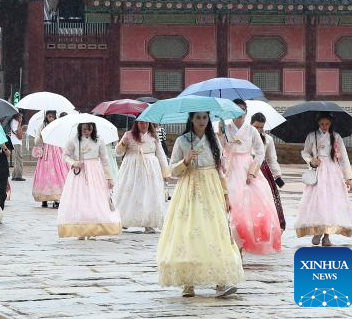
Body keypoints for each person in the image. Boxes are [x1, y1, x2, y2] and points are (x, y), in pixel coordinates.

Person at [157, 112, 242, 298]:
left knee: (215, 230)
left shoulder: (214, 140)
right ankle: (188, 283)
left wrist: (226, 195)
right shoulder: (182, 141)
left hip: (211, 188)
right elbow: (172, 170)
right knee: (189, 230)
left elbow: (220, 170)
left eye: (204, 118)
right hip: (189, 189)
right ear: (191, 119)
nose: (202, 121)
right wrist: (186, 161)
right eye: (198, 118)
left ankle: (220, 281)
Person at [220, 98, 281, 254]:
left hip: (247, 167)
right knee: (230, 203)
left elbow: (260, 152)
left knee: (249, 205)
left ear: (246, 113)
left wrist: (252, 171)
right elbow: (219, 149)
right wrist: (220, 135)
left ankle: (243, 241)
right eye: (236, 109)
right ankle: (232, 241)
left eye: (243, 110)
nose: (240, 113)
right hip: (230, 167)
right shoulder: (225, 129)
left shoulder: (251, 130)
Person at [297, 112, 352, 246]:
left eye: (327, 124)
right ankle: (317, 231)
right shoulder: (312, 136)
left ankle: (327, 236)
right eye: (322, 124)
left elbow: (343, 158)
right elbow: (305, 152)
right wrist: (311, 160)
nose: (324, 126)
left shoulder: (336, 137)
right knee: (318, 202)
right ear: (318, 123)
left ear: (331, 123)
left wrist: (349, 178)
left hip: (333, 172)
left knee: (331, 202)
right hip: (318, 171)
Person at [57, 123, 121, 239]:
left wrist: (109, 177)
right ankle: (80, 230)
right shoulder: (74, 140)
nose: (87, 132)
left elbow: (104, 160)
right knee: (80, 199)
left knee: (95, 199)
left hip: (95, 173)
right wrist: (74, 163)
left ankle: (94, 229)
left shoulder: (99, 140)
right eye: (85, 129)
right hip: (79, 173)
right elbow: (65, 155)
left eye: (89, 129)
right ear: (80, 128)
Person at [113, 120, 170, 232]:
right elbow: (118, 153)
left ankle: (148, 222)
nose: (144, 125)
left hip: (150, 167)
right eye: (141, 123)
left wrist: (165, 171)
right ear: (136, 124)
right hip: (131, 167)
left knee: (149, 193)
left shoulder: (154, 136)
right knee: (129, 193)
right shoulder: (128, 135)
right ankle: (123, 219)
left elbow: (160, 154)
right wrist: (123, 143)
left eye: (146, 123)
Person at [251, 113, 285, 231]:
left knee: (265, 199)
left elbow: (272, 159)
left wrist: (277, 175)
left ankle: (265, 225)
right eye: (256, 127)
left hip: (263, 171)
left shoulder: (268, 139)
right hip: (247, 169)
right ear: (251, 124)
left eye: (261, 127)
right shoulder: (245, 137)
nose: (258, 129)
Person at [31, 110, 68, 208]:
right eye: (49, 116)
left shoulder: (58, 126)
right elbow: (36, 140)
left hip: (57, 151)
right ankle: (44, 198)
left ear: (55, 117)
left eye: (52, 116)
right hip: (46, 153)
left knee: (57, 174)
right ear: (46, 117)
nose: (51, 118)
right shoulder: (42, 126)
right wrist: (40, 137)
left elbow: (62, 138)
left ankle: (57, 199)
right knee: (44, 175)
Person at [9, 113, 26, 181]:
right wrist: (20, 123)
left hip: (17, 142)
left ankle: (14, 175)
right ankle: (18, 176)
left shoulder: (15, 122)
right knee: (19, 158)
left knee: (17, 158)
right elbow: (19, 135)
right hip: (16, 142)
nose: (21, 118)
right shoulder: (14, 122)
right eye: (20, 117)